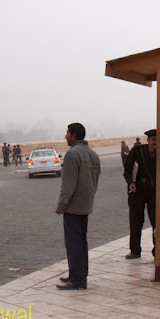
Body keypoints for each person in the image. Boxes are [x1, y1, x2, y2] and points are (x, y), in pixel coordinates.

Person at [56, 123, 101, 290]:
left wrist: (61, 205)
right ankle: (80, 273)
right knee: (81, 241)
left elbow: (68, 184)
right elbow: (95, 181)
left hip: (73, 206)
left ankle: (77, 279)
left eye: (67, 133)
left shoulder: (72, 154)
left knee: (73, 242)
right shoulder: (93, 154)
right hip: (86, 204)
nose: (65, 136)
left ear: (74, 136)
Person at [123, 129, 160, 259]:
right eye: (153, 140)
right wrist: (130, 183)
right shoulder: (137, 151)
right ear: (148, 140)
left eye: (158, 140)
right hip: (137, 191)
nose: (156, 143)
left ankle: (157, 251)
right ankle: (135, 250)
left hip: (154, 192)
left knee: (157, 222)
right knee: (135, 221)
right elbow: (127, 170)